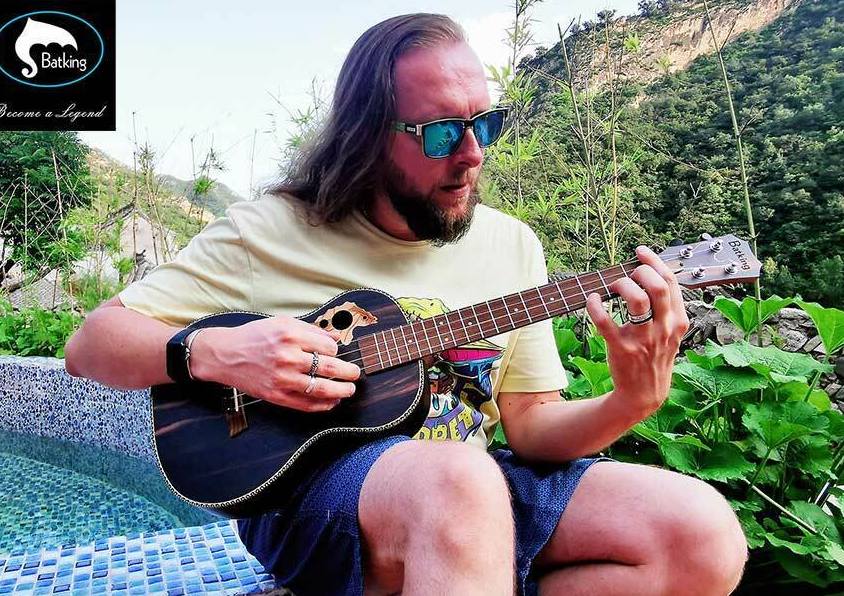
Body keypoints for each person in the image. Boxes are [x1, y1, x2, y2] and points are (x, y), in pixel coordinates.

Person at [65, 13, 748, 596]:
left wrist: (633, 399)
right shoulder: (267, 231)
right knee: (457, 482)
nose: (473, 155)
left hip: (470, 489)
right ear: (366, 134)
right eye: (442, 133)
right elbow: (91, 345)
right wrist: (214, 352)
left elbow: (531, 426)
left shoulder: (512, 245)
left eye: (486, 124)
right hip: (308, 499)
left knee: (700, 534)